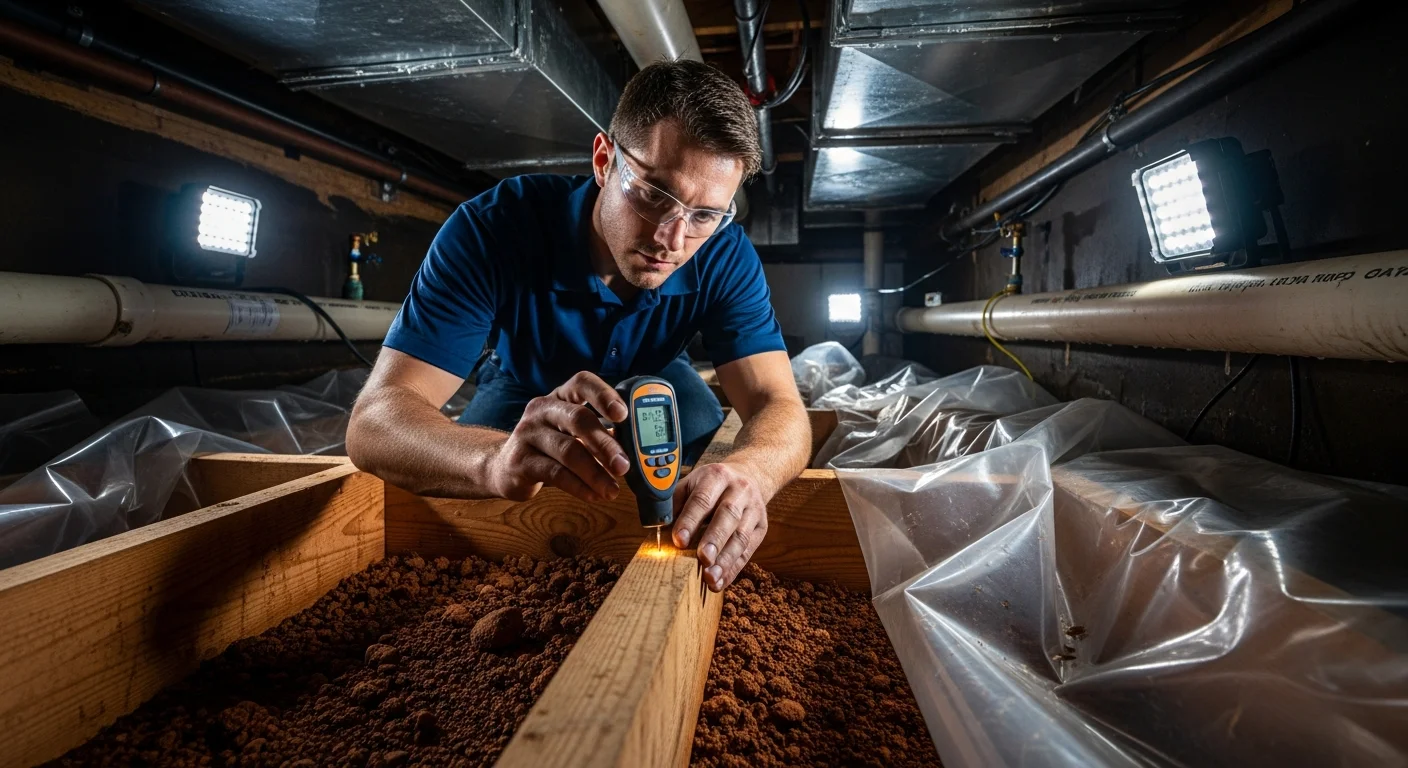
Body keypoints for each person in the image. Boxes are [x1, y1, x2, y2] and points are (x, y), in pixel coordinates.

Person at [347, 60, 810, 592]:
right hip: (528, 390)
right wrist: (491, 460)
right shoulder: (493, 230)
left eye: (705, 215)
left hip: (659, 378)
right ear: (603, 161)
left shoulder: (726, 255)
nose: (672, 239)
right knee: (487, 495)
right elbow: (373, 423)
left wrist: (753, 471)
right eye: (655, 194)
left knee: (705, 459)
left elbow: (780, 404)